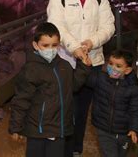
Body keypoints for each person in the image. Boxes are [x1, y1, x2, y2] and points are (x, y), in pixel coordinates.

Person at [47, 0, 115, 156]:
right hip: (66, 61)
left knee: (82, 108)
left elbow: (108, 26)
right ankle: (64, 150)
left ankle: (76, 148)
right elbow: (57, 26)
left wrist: (91, 42)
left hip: (91, 60)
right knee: (65, 108)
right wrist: (75, 48)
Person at [8, 22, 92, 157]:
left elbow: (73, 86)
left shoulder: (64, 66)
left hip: (59, 128)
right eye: (45, 45)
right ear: (36, 45)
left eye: (54, 45)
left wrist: (84, 67)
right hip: (38, 129)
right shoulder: (31, 70)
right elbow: (21, 100)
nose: (50, 49)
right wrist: (15, 127)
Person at [87, 50, 138, 157]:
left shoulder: (134, 90)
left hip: (124, 133)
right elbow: (87, 78)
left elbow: (136, 111)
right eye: (110, 63)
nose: (113, 68)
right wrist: (85, 65)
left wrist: (134, 128)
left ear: (127, 70)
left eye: (118, 66)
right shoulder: (100, 79)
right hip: (104, 130)